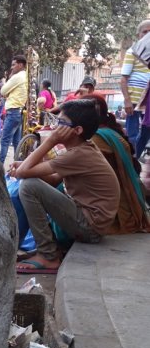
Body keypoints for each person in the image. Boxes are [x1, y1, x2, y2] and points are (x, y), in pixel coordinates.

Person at [10, 98, 120, 274]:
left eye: (61, 123)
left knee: (28, 186)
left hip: (90, 228)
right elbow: (54, 179)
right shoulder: (81, 149)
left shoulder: (79, 154)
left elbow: (24, 173)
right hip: (90, 222)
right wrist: (24, 165)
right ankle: (48, 249)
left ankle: (48, 255)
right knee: (31, 183)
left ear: (77, 130)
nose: (55, 127)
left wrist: (51, 141)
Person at [87, 93, 150, 234]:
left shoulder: (96, 139)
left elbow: (58, 176)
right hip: (123, 210)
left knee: (32, 187)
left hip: (114, 217)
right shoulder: (108, 133)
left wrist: (53, 140)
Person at [120, 19, 150, 153]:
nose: (148, 35)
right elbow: (123, 79)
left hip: (147, 100)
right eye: (145, 32)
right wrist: (127, 100)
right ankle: (132, 160)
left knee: (145, 132)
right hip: (133, 99)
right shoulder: (132, 52)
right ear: (138, 35)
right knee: (132, 134)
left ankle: (136, 158)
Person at [0, 54, 27, 165]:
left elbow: (3, 91)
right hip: (19, 112)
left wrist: (10, 77)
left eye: (14, 65)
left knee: (4, 140)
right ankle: (18, 167)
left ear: (20, 65)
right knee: (16, 142)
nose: (12, 67)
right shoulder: (26, 76)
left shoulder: (17, 77)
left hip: (13, 112)